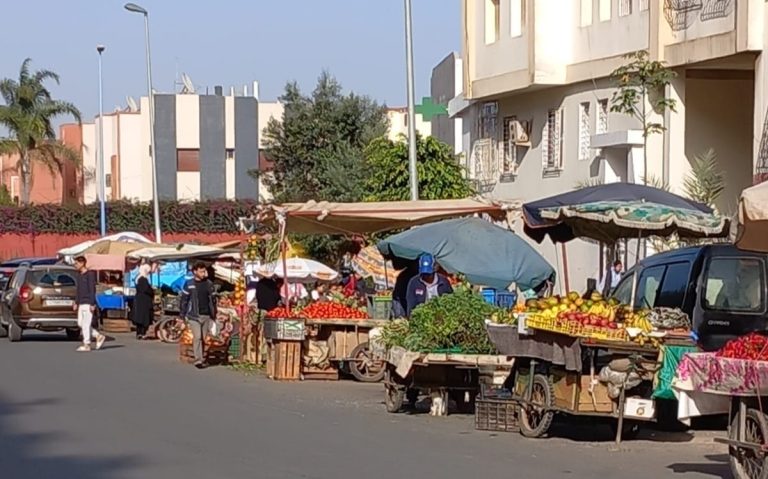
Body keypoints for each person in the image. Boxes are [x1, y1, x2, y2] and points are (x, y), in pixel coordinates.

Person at [180, 262, 217, 369]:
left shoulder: (209, 284)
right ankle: (198, 360)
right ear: (195, 272)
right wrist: (182, 316)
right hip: (194, 316)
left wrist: (214, 313)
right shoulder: (189, 284)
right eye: (201, 271)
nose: (203, 273)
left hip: (206, 315)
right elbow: (184, 300)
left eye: (204, 271)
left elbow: (213, 300)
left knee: (203, 338)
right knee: (197, 337)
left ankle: (202, 357)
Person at [73, 256, 106, 352]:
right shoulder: (79, 275)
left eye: (76, 263)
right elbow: (78, 290)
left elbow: (92, 290)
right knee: (80, 323)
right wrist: (76, 302)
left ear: (82, 263)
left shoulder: (90, 275)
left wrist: (92, 303)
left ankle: (86, 344)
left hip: (88, 303)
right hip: (81, 302)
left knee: (86, 324)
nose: (75, 265)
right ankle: (98, 336)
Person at [133, 263, 154, 340]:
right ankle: (142, 333)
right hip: (144, 301)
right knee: (144, 318)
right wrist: (152, 290)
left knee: (140, 317)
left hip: (139, 300)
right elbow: (146, 290)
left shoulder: (137, 278)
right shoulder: (143, 279)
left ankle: (139, 333)